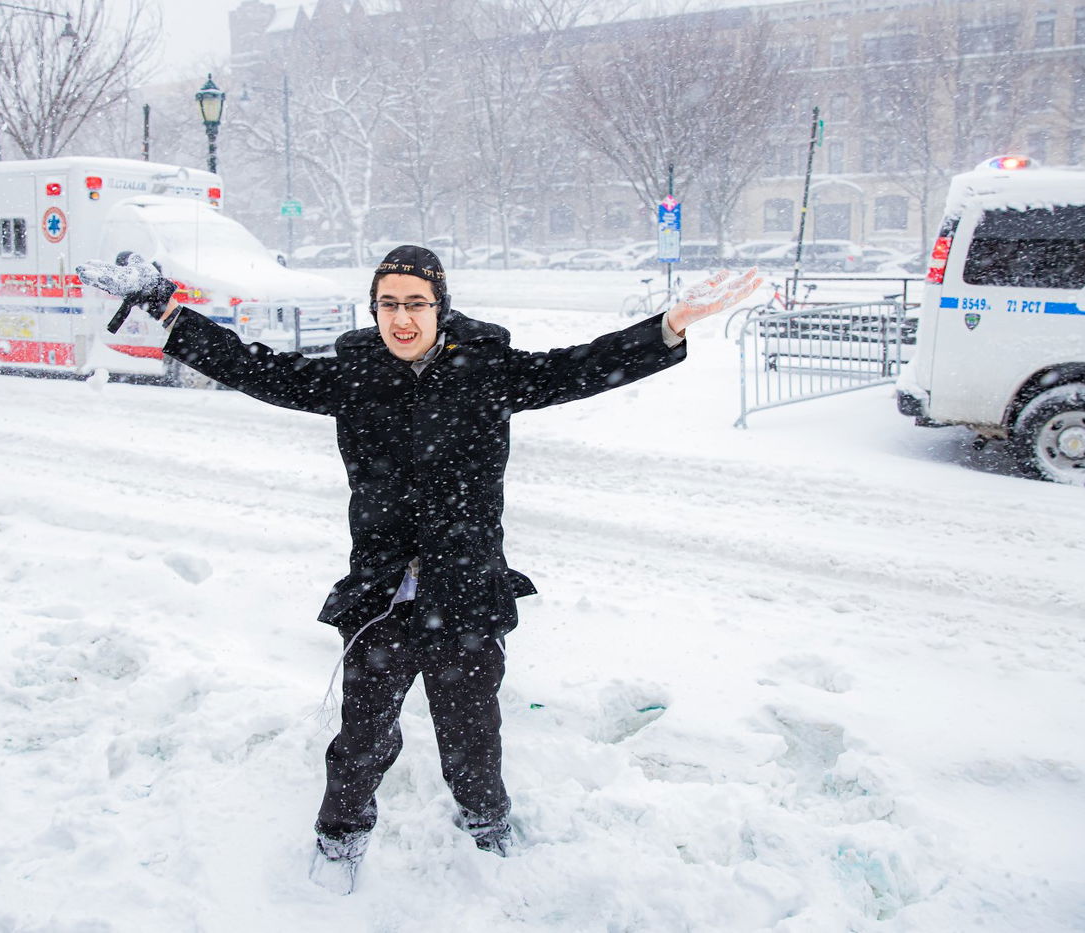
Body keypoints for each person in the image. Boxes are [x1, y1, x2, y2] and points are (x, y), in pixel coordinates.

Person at [76, 245, 759, 895]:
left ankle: (486, 824)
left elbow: (578, 367)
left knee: (472, 732)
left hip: (465, 592)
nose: (401, 317)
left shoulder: (487, 370)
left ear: (441, 306)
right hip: (381, 594)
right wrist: (169, 311)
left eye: (416, 302)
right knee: (361, 736)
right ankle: (340, 835)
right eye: (387, 303)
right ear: (374, 310)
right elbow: (262, 370)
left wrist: (666, 328)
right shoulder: (355, 373)